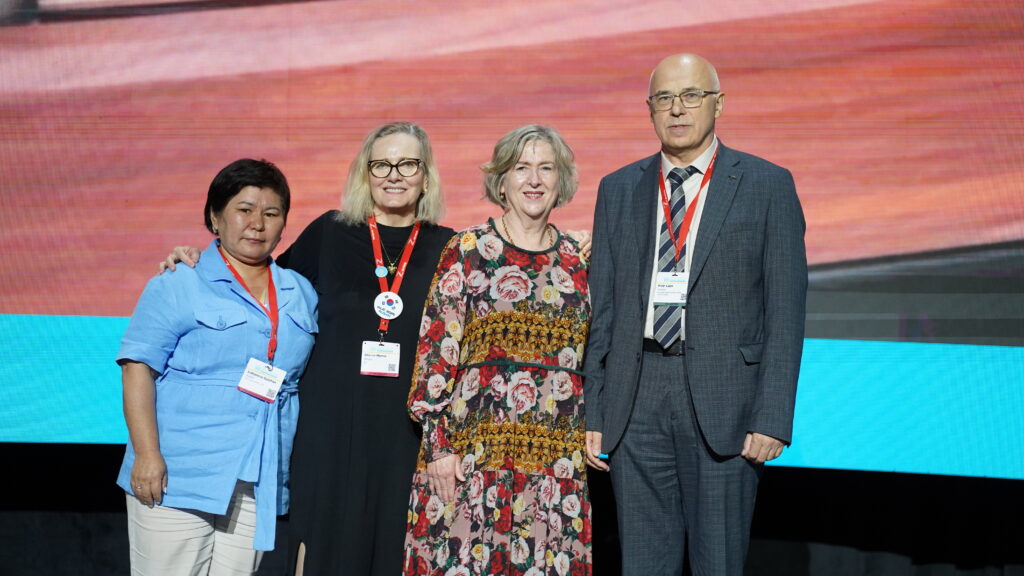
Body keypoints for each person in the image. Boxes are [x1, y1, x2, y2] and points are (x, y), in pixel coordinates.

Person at [163, 122, 455, 576]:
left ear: (426, 174)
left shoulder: (450, 248)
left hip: (405, 432)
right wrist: (201, 257)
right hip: (326, 424)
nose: (394, 174)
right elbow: (259, 284)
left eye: (408, 164)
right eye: (381, 164)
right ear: (366, 172)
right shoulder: (331, 233)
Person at [582, 53, 808, 575]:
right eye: (664, 98)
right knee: (642, 563)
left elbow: (786, 311)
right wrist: (595, 406)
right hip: (634, 399)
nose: (677, 109)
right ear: (649, 110)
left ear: (718, 104)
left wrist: (772, 415)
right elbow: (604, 308)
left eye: (691, 96)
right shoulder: (618, 188)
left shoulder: (766, 184)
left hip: (725, 403)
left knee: (718, 564)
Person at [402, 125, 593, 576]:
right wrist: (439, 448)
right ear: (501, 181)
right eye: (520, 168)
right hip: (471, 459)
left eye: (546, 168)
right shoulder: (466, 250)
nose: (534, 180)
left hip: (555, 466)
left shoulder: (578, 260)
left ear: (561, 181)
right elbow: (435, 352)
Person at [117, 158, 319, 574]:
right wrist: (147, 455)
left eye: (271, 213)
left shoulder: (300, 291)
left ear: (284, 224)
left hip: (258, 478)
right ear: (215, 216)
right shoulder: (179, 281)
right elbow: (137, 368)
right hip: (178, 473)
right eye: (244, 210)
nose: (257, 224)